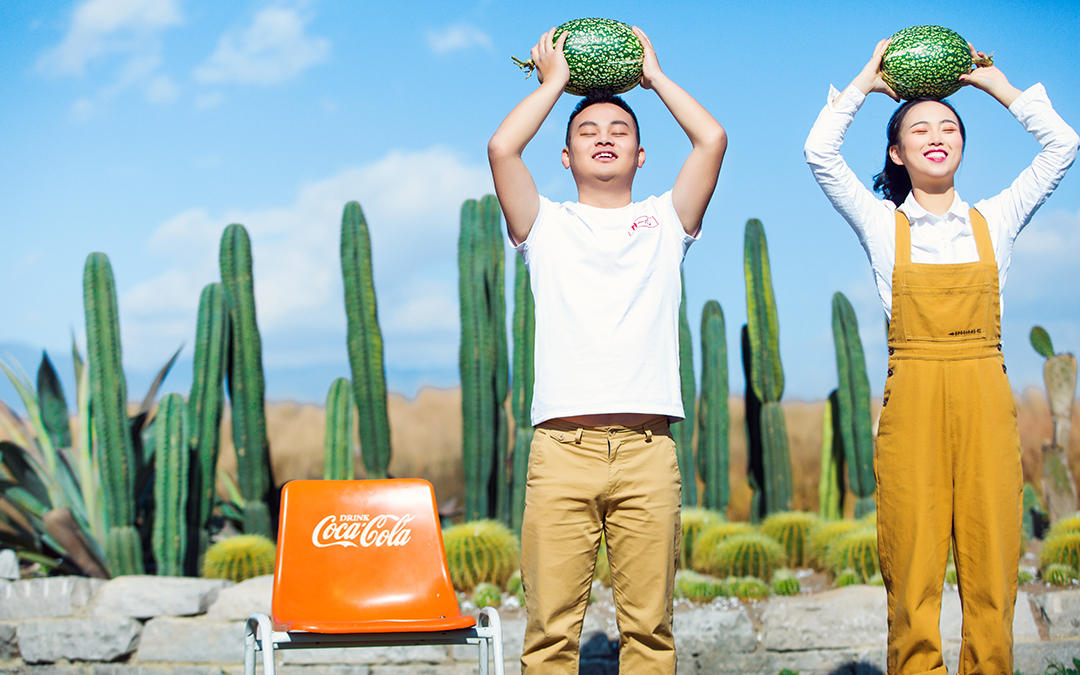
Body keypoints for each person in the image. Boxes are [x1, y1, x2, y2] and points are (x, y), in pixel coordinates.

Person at [805, 38, 1079, 674]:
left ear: (961, 146)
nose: (937, 134)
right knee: (913, 579)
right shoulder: (882, 226)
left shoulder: (995, 220)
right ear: (898, 153)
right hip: (914, 408)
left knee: (992, 580)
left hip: (986, 402)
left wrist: (996, 87)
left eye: (949, 125)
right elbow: (820, 152)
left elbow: (1062, 146)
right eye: (919, 127)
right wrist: (866, 82)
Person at [488, 25, 726, 673]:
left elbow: (711, 139)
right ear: (564, 156)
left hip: (649, 453)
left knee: (649, 631)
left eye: (618, 131)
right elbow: (502, 146)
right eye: (587, 131)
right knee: (549, 634)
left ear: (642, 155)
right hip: (561, 454)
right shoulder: (544, 225)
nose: (602, 137)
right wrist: (557, 81)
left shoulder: (667, 222)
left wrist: (651, 75)